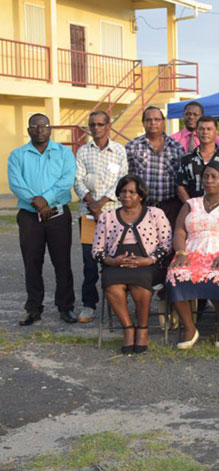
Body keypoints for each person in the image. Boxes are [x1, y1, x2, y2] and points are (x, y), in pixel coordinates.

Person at [167, 162, 219, 351]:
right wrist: (180, 253)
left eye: (214, 177)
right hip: (192, 251)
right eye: (206, 176)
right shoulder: (191, 203)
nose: (209, 180)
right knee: (175, 273)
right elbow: (180, 231)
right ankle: (189, 328)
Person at [8, 113, 77, 326]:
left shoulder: (64, 153)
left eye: (44, 126)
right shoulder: (18, 155)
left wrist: (46, 200)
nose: (40, 130)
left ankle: (66, 308)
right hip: (29, 216)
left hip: (57, 214)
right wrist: (36, 202)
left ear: (50, 129)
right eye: (35, 126)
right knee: (32, 262)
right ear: (29, 130)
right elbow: (15, 182)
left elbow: (67, 180)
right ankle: (34, 308)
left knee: (62, 262)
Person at [92, 175, 172, 354]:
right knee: (112, 285)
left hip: (148, 264)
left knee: (140, 283)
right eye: (123, 192)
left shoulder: (155, 214)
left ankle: (142, 329)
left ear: (141, 196)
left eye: (132, 192)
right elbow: (96, 250)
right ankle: (128, 328)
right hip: (115, 264)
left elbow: (167, 245)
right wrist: (112, 260)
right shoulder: (107, 216)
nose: (126, 195)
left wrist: (148, 260)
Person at [73, 111, 128, 323]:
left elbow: (122, 181)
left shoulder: (119, 151)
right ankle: (89, 305)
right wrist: (91, 203)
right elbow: (77, 180)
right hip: (88, 216)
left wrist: (102, 203)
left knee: (113, 260)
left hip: (114, 214)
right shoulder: (83, 152)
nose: (96, 128)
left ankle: (115, 302)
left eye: (99, 124)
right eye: (92, 125)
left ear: (108, 126)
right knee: (89, 261)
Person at [126, 106, 186, 227]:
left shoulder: (176, 147)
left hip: (170, 207)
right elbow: (126, 177)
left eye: (157, 119)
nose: (153, 123)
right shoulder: (132, 146)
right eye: (148, 120)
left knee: (168, 244)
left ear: (163, 122)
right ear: (143, 123)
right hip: (141, 207)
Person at [176, 115, 219, 200]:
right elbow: (180, 187)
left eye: (209, 129)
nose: (205, 132)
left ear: (216, 132)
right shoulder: (186, 159)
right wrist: (191, 206)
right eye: (201, 129)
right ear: (196, 132)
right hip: (194, 210)